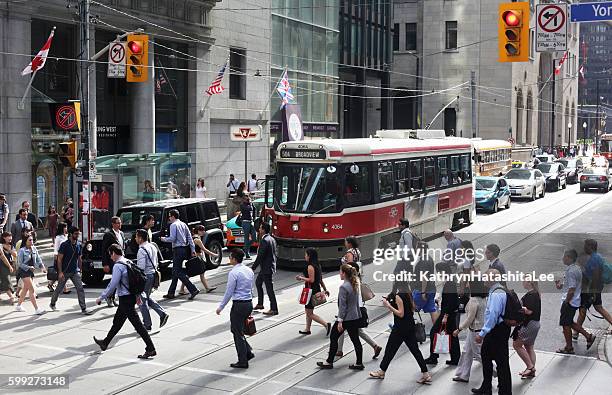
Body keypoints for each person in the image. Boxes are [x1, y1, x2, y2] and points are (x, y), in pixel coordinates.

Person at [94, 244, 156, 359]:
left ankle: (150, 348)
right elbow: (135, 280)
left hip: (126, 298)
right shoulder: (128, 261)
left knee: (138, 325)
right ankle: (105, 343)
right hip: (129, 297)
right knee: (117, 322)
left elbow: (112, 284)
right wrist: (137, 295)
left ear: (113, 253)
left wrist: (101, 297)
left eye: (110, 255)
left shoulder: (118, 266)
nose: (110, 257)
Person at [369, 281, 431, 384]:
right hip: (409, 326)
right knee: (415, 350)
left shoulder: (399, 296)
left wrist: (388, 305)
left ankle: (381, 372)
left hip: (400, 328)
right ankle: (426, 374)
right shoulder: (408, 293)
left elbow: (400, 314)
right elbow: (412, 308)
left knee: (390, 350)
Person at [337, 237, 383, 358]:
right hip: (356, 293)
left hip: (352, 310)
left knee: (343, 327)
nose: (344, 243)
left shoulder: (350, 254)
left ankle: (341, 352)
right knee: (356, 330)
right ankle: (374, 346)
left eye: (346, 241)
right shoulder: (358, 251)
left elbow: (349, 265)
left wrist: (341, 317)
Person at [317, 264, 364, 371]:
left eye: (340, 272)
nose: (339, 273)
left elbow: (343, 306)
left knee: (333, 337)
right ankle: (359, 363)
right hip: (355, 317)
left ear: (344, 274)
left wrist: (340, 321)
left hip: (346, 318)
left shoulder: (343, 287)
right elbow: (355, 303)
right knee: (355, 340)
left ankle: (329, 362)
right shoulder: (355, 284)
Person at [472, 269, 511, 395]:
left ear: (492, 279)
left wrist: (482, 333)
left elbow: (493, 316)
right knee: (492, 358)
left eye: (485, 277)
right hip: (501, 329)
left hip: (495, 331)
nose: (483, 279)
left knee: (499, 361)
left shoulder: (495, 293)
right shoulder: (500, 290)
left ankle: (497, 390)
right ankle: (488, 387)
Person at [216, 248, 255, 369]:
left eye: (230, 257)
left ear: (234, 259)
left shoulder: (234, 273)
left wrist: (221, 307)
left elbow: (229, 291)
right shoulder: (249, 270)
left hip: (238, 305)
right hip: (248, 303)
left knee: (237, 332)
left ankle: (243, 360)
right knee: (238, 330)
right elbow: (251, 287)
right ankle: (248, 351)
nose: (229, 259)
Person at [557, 250, 596, 353]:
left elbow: (572, 289)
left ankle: (569, 347)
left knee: (566, 325)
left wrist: (567, 301)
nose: (562, 258)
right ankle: (589, 336)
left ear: (569, 258)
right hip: (574, 301)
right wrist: (560, 285)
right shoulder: (575, 268)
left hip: (570, 302)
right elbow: (570, 285)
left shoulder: (571, 271)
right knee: (570, 323)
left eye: (564, 256)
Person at [424, 261, 460, 366]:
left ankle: (433, 357)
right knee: (452, 335)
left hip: (447, 314)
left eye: (439, 271)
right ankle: (455, 358)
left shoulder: (449, 283)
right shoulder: (449, 281)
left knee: (433, 332)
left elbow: (452, 302)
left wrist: (445, 315)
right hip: (449, 313)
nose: (438, 273)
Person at [49, 227, 91, 315]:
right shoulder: (64, 245)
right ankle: (52, 303)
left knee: (80, 288)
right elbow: (59, 259)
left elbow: (79, 258)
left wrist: (80, 270)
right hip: (65, 271)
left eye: (78, 233)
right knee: (59, 289)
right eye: (76, 234)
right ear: (71, 234)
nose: (77, 235)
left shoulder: (78, 245)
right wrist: (60, 272)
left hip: (75, 271)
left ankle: (83, 308)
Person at [452, 281, 488, 383]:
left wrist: (459, 329)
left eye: (468, 283)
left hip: (475, 330)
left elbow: (469, 319)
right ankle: (463, 374)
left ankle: (496, 370)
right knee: (466, 352)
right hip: (478, 329)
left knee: (479, 354)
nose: (466, 285)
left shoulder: (473, 301)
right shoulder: (483, 298)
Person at [135, 229, 169, 331]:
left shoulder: (142, 250)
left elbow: (141, 268)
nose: (135, 239)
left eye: (136, 237)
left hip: (145, 277)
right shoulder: (152, 246)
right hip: (153, 274)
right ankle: (162, 313)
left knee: (142, 300)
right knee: (146, 297)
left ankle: (147, 324)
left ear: (140, 238)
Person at [161, 209, 199, 300]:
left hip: (177, 249)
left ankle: (193, 289)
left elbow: (172, 238)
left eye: (169, 216)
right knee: (175, 271)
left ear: (173, 216)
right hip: (185, 249)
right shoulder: (183, 224)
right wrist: (193, 249)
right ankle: (171, 292)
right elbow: (189, 237)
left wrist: (164, 239)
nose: (169, 218)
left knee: (177, 271)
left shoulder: (173, 225)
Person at [576, 239, 612, 333]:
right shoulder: (598, 256)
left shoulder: (593, 259)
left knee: (583, 310)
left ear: (590, 247)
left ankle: (576, 332)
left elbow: (595, 276)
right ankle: (576, 331)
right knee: (598, 307)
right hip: (595, 288)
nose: (584, 247)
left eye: (585, 246)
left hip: (591, 289)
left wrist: (592, 292)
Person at [295, 248, 331, 335]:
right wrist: (325, 289)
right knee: (309, 311)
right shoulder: (318, 265)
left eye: (306, 255)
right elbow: (320, 279)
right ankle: (307, 329)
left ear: (309, 256)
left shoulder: (310, 266)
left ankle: (326, 324)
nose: (305, 256)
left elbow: (311, 280)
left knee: (309, 313)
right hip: (315, 289)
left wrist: (301, 278)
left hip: (310, 291)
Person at [512, 280, 541, 379]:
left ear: (529, 282)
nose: (522, 282)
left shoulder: (531, 295)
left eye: (524, 280)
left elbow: (529, 311)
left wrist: (520, 308)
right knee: (529, 347)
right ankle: (531, 371)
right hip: (535, 323)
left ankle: (530, 367)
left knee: (517, 344)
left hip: (529, 324)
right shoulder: (535, 293)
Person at [179, 225, 218, 294]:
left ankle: (207, 288)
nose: (204, 232)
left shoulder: (194, 237)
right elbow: (204, 249)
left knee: (200, 273)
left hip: (195, 258)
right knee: (190, 274)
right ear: (199, 231)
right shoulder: (197, 239)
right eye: (202, 230)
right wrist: (213, 254)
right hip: (196, 259)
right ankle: (181, 289)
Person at [15, 234, 47, 314]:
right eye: (29, 240)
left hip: (30, 272)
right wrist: (29, 267)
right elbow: (19, 263)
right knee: (32, 289)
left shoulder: (34, 249)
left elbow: (38, 259)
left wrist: (42, 267)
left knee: (25, 289)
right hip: (23, 271)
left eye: (32, 240)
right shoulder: (22, 250)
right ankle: (37, 309)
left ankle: (18, 306)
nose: (31, 241)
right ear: (25, 241)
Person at [252, 222, 278, 315]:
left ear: (263, 230)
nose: (259, 229)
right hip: (267, 267)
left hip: (266, 268)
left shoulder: (264, 241)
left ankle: (274, 309)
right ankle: (260, 303)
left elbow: (260, 256)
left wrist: (253, 268)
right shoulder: (271, 239)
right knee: (258, 283)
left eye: (260, 228)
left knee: (269, 289)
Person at [412, 241, 440, 325]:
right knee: (432, 309)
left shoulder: (423, 260)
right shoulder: (429, 258)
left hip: (422, 290)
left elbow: (424, 277)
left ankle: (401, 327)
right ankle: (437, 329)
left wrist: (423, 292)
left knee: (410, 308)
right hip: (431, 289)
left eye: (417, 248)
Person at [102, 216, 125, 307]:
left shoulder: (121, 233)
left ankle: (113, 297)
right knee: (115, 279)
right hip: (113, 260)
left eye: (120, 222)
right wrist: (105, 263)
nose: (120, 224)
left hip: (121, 259)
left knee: (119, 280)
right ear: (113, 224)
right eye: (118, 223)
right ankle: (108, 296)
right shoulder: (109, 235)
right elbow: (104, 250)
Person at [392, 218, 415, 292]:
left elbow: (409, 247)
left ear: (404, 225)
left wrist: (404, 258)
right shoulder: (404, 234)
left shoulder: (407, 234)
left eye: (399, 224)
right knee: (408, 276)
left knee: (397, 274)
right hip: (407, 258)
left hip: (406, 258)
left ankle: (393, 294)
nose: (398, 226)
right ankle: (411, 293)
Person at [48, 222, 69, 294]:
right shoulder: (58, 238)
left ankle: (50, 284)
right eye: (65, 227)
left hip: (65, 257)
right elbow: (56, 249)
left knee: (60, 273)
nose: (66, 228)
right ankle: (65, 288)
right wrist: (56, 258)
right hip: (59, 257)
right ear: (62, 228)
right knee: (62, 272)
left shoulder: (66, 236)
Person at [239, 196, 257, 260]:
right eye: (247, 199)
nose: (249, 200)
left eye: (249, 199)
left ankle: (245, 248)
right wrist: (250, 204)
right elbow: (248, 209)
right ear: (244, 199)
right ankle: (247, 254)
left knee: (254, 237)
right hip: (245, 222)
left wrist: (254, 218)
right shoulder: (242, 205)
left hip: (251, 222)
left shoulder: (250, 204)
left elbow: (254, 210)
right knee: (246, 238)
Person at [0, 232, 15, 303]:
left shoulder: (11, 245)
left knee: (4, 280)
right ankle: (11, 297)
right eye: (8, 236)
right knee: (6, 280)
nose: (10, 238)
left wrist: (8, 249)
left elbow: (15, 254)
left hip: (7, 264)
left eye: (11, 236)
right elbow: (2, 257)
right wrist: (9, 266)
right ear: (4, 237)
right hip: (2, 265)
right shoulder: (0, 246)